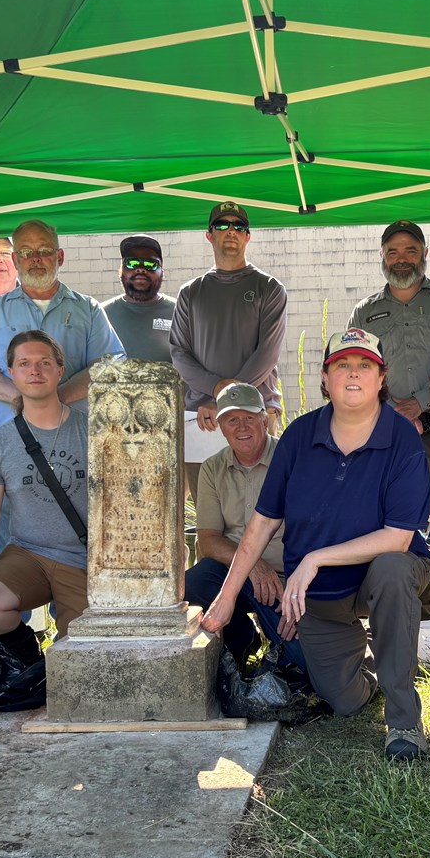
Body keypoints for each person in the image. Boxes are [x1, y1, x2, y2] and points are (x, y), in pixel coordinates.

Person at [202, 329, 430, 761]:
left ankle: (403, 719)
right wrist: (227, 598)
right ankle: (369, 668)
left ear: (381, 378)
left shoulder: (402, 437)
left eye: (364, 365)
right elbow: (261, 523)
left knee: (394, 568)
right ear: (325, 378)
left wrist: (314, 559)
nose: (353, 374)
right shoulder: (298, 437)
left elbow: (399, 536)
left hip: (378, 578)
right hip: (322, 598)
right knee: (343, 702)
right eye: (342, 364)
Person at [348, 219, 430, 641]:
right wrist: (387, 408)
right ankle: (422, 628)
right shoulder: (364, 312)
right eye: (393, 252)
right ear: (383, 257)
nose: (402, 259)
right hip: (387, 438)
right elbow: (355, 367)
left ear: (424, 253)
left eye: (410, 250)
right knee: (399, 528)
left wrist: (421, 400)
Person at [0, 330, 89, 658]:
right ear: (11, 373)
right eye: (24, 363)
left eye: (44, 363)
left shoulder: (94, 431)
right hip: (28, 554)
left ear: (60, 371)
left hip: (83, 560)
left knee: (75, 660)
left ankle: (57, 656)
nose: (35, 371)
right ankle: (26, 656)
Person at [184, 382, 306, 677]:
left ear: (265, 419)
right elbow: (209, 541)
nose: (241, 426)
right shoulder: (213, 468)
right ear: (221, 427)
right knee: (189, 587)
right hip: (235, 572)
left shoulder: (294, 460)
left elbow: (315, 534)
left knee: (301, 661)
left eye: (249, 417)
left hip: (287, 578)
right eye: (231, 419)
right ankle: (240, 640)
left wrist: (299, 590)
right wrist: (252, 565)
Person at [170, 201, 287, 505]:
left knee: (259, 511)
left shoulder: (270, 288)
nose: (231, 231)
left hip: (255, 413)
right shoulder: (190, 293)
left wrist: (223, 398)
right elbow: (179, 354)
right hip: (202, 419)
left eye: (239, 226)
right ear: (209, 235)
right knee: (209, 513)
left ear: (248, 236)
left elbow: (267, 355)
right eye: (222, 225)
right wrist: (213, 391)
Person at [0, 219, 123, 429]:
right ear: (16, 260)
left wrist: (58, 398)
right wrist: (21, 400)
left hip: (75, 435)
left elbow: (106, 365)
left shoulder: (89, 309)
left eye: (44, 250)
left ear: (60, 257)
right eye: (26, 253)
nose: (35, 259)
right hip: (13, 435)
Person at [102, 235, 176, 363]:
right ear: (121, 270)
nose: (141, 269)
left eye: (150, 264)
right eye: (132, 263)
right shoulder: (100, 315)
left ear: (162, 272)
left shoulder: (181, 313)